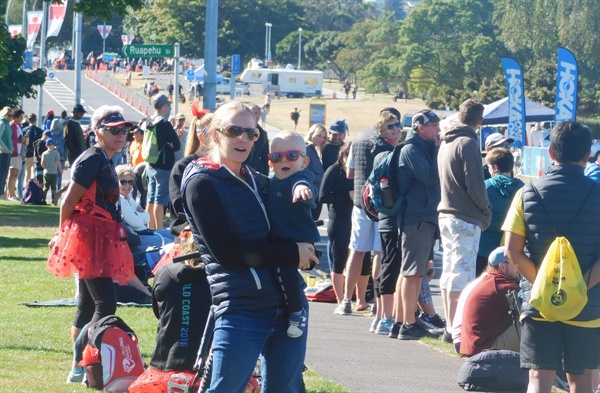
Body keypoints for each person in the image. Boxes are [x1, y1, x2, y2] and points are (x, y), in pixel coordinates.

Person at [181, 101, 318, 392]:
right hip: (240, 309)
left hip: (287, 307)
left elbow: (290, 219)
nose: (242, 138)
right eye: (234, 131)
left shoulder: (258, 179)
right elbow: (227, 253)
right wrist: (292, 253)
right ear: (214, 134)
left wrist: (306, 247)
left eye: (251, 133)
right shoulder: (202, 182)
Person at [46, 105, 149, 383]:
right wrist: (61, 235)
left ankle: (79, 367)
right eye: (113, 130)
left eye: (124, 130)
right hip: (89, 237)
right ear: (97, 132)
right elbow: (68, 201)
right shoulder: (92, 158)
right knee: (106, 303)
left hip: (101, 236)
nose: (121, 134)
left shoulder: (105, 158)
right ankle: (83, 361)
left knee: (89, 304)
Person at [503, 121, 600, 393]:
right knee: (582, 381)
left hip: (540, 305)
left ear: (550, 153)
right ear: (587, 155)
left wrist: (544, 284)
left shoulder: (526, 193)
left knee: (538, 378)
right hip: (587, 306)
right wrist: (577, 288)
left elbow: (512, 251)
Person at [437, 99, 491, 341]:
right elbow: (476, 185)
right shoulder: (468, 142)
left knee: (449, 271)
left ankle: (450, 325)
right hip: (465, 215)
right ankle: (458, 329)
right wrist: (486, 209)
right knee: (463, 274)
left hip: (446, 212)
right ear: (479, 121)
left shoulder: (446, 142)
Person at [335, 109, 397, 315]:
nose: (397, 129)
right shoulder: (388, 145)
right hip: (382, 204)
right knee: (379, 252)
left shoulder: (358, 138)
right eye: (393, 125)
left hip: (361, 201)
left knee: (357, 250)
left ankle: (346, 300)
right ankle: (377, 299)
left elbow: (350, 172)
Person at [394, 110, 442, 340]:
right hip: (416, 218)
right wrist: (437, 149)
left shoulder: (418, 148)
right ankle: (408, 324)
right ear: (420, 127)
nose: (437, 130)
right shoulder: (412, 149)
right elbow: (431, 177)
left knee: (412, 273)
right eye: (433, 126)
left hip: (421, 217)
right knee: (413, 273)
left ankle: (403, 321)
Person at [268, 131, 321, 337]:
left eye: (291, 156)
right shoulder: (270, 181)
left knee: (285, 272)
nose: (284, 160)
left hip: (298, 238)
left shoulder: (301, 178)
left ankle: (296, 312)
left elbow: (305, 185)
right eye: (276, 157)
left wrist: (301, 190)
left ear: (305, 161)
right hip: (278, 238)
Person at [369, 109, 405, 335]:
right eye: (391, 126)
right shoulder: (387, 154)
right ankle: (386, 318)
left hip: (384, 216)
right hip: (391, 217)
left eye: (398, 125)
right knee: (391, 265)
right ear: (382, 131)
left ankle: (381, 315)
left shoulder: (384, 151)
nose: (397, 129)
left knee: (384, 264)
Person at [458, 246, 521, 357]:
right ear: (502, 266)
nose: (519, 266)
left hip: (473, 346)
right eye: (514, 262)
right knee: (532, 323)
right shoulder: (501, 286)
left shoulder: (488, 281)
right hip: (484, 349)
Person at [476, 148, 524, 276]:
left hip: (484, 249)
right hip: (514, 251)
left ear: (495, 168)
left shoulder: (484, 187)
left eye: (489, 167)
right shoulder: (524, 189)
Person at [169, 108, 212, 236]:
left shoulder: (224, 166)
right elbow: (179, 212)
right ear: (203, 137)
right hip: (189, 239)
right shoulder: (182, 167)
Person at [319, 143, 353, 303]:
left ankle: (354, 297)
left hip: (355, 221)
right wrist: (346, 195)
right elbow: (323, 196)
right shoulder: (334, 170)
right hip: (338, 221)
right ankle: (341, 300)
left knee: (357, 260)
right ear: (343, 156)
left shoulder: (358, 171)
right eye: (349, 158)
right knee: (339, 260)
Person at [116, 165, 175, 249]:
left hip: (145, 231)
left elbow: (147, 217)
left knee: (175, 234)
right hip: (138, 237)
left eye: (130, 182)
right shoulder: (118, 200)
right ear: (116, 181)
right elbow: (137, 223)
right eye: (123, 182)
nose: (127, 186)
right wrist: (140, 214)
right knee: (170, 242)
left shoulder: (129, 197)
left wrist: (137, 214)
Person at [145, 94, 181, 229]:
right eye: (168, 105)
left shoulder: (148, 120)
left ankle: (150, 227)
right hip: (163, 165)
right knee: (160, 200)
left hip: (150, 164)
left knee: (150, 198)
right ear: (164, 106)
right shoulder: (164, 123)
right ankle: (159, 230)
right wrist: (170, 144)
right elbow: (176, 145)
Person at [305, 124, 327, 220]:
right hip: (311, 192)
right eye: (319, 135)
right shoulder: (306, 149)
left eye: (323, 137)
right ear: (312, 134)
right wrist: (322, 179)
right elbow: (305, 172)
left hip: (316, 191)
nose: (321, 139)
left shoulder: (314, 149)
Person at [243, 103, 270, 176]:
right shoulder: (239, 131)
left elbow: (265, 156)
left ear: (260, 114)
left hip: (256, 172)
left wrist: (266, 175)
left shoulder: (263, 134)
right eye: (251, 113)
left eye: (256, 113)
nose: (254, 115)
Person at [7, 109, 25, 201]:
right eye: (21, 117)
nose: (22, 119)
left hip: (19, 152)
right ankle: (10, 194)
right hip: (13, 152)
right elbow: (10, 139)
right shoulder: (12, 126)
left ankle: (12, 194)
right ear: (16, 117)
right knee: (12, 173)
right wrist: (19, 140)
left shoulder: (19, 126)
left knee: (16, 173)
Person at [40, 138, 63, 205]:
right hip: (54, 172)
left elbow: (42, 163)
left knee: (46, 187)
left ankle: (43, 199)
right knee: (53, 187)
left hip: (46, 172)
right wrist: (60, 169)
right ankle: (54, 200)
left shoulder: (44, 153)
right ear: (53, 145)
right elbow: (58, 162)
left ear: (46, 145)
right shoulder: (56, 153)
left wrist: (45, 167)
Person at [22, 113, 44, 182]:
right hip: (37, 154)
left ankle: (27, 187)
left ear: (28, 120)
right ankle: (35, 187)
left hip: (27, 153)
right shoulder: (40, 131)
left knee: (27, 172)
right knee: (35, 172)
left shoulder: (24, 130)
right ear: (36, 120)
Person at [0, 107, 14, 199]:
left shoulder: (8, 124)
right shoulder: (2, 123)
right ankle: (1, 194)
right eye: (9, 115)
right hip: (3, 153)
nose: (11, 117)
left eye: (12, 115)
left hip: (8, 153)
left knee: (4, 174)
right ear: (5, 114)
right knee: (1, 174)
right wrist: (5, 149)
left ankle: (1, 193)